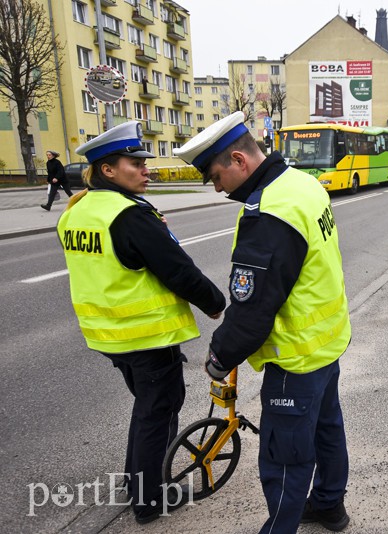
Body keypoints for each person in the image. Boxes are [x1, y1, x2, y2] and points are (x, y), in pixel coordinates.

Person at [175, 111, 352, 533]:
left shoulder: (268, 213)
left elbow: (252, 310)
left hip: (294, 357)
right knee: (327, 430)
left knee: (285, 456)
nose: (216, 188)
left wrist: (219, 357)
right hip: (326, 344)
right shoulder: (301, 183)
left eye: (216, 176)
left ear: (239, 160)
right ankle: (329, 505)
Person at [57, 121, 226, 525]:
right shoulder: (128, 215)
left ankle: (138, 480)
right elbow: (177, 270)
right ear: (108, 170)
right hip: (147, 335)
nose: (146, 169)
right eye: (135, 163)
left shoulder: (78, 210)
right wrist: (215, 303)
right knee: (158, 411)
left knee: (148, 407)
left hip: (108, 336)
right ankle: (151, 498)